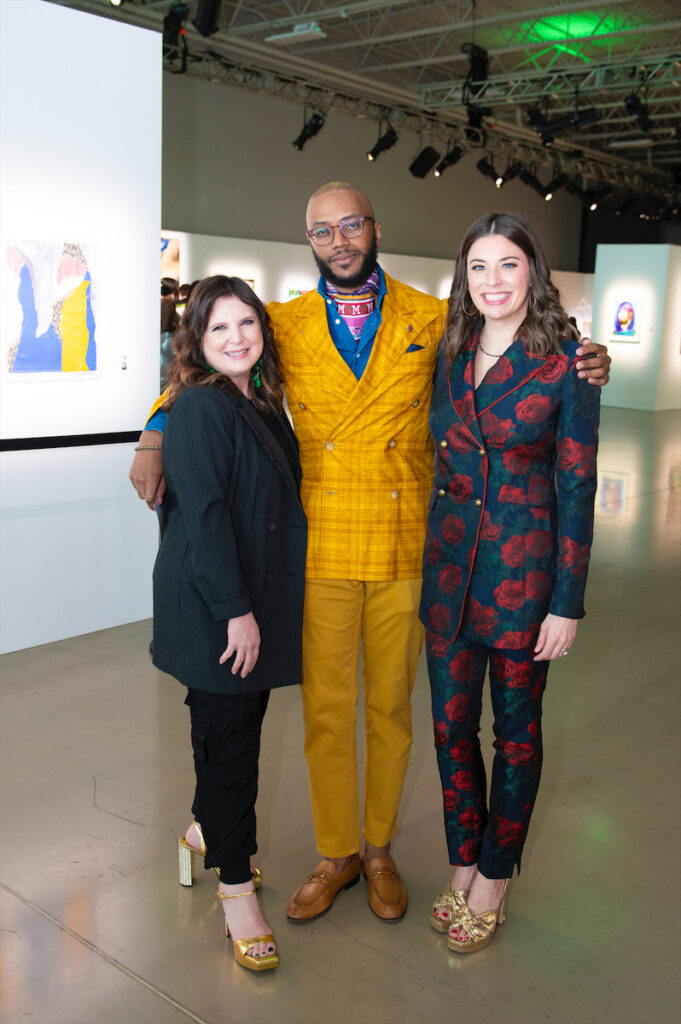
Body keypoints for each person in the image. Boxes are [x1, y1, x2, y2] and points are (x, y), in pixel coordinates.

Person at [130, 183, 611, 923]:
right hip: (316, 541)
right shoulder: (280, 323)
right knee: (327, 711)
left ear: (372, 228)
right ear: (310, 242)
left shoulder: (431, 315)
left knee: (391, 708)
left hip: (409, 540)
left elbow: (517, 340)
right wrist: (153, 432)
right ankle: (336, 853)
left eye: (351, 225)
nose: (340, 240)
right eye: (323, 231)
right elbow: (206, 367)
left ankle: (379, 847)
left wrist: (585, 357)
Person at [422, 212, 600, 954]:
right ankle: (463, 859)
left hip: (522, 578)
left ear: (533, 271)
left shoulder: (568, 362)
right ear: (462, 279)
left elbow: (577, 485)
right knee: (449, 727)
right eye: (477, 268)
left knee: (515, 737)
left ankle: (496, 876)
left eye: (507, 265)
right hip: (446, 575)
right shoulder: (449, 348)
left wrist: (566, 602)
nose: (492, 282)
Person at [151, 275, 306, 971]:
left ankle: (201, 832)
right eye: (219, 328)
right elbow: (206, 521)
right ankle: (236, 892)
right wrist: (236, 614)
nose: (237, 338)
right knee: (227, 742)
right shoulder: (197, 410)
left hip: (254, 599)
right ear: (197, 340)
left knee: (233, 730)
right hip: (218, 606)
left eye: (247, 323)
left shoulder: (263, 403)